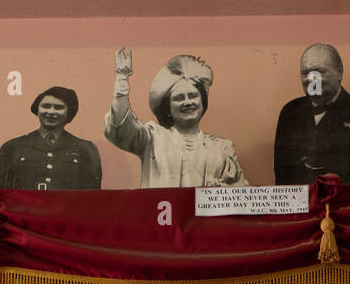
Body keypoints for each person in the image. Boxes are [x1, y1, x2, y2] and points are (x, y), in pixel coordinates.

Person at [104, 48, 246, 188]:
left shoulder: (222, 149)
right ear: (168, 108)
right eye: (179, 98)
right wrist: (122, 81)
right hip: (158, 211)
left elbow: (239, 195)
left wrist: (221, 190)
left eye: (193, 96)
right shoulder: (153, 137)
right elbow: (121, 129)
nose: (187, 102)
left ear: (203, 102)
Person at [273, 44, 350, 184]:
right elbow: (282, 179)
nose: (311, 79)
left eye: (319, 71)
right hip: (303, 205)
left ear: (339, 72)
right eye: (305, 72)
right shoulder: (290, 112)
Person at [0, 86, 103, 190]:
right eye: (46, 106)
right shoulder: (12, 147)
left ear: (69, 112)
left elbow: (92, 197)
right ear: (37, 110)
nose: (51, 112)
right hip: (24, 210)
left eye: (58, 107)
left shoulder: (86, 149)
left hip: (67, 211)